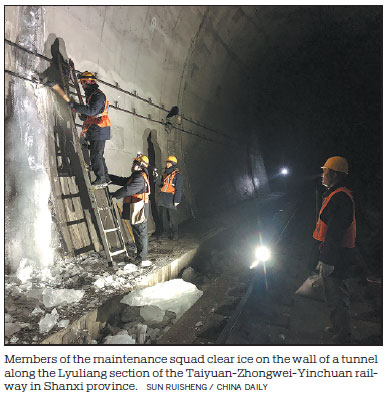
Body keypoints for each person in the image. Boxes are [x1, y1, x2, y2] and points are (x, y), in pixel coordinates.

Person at [313, 156, 356, 344]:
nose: (322, 175)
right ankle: (337, 326)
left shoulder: (340, 197)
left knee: (337, 295)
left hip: (338, 256)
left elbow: (335, 231)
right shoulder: (336, 193)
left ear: (335, 174)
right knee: (332, 294)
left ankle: (343, 335)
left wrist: (328, 260)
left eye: (325, 172)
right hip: (335, 253)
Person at [69, 71, 111, 186]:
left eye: (83, 82)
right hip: (98, 128)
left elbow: (92, 111)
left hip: (100, 128)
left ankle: (101, 178)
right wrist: (82, 113)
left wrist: (77, 107)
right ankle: (105, 177)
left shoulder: (98, 95)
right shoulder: (92, 94)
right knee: (99, 154)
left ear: (90, 82)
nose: (82, 85)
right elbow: (91, 113)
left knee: (96, 155)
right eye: (81, 82)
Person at [109, 154, 151, 267]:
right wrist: (110, 178)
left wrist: (114, 194)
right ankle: (140, 255)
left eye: (135, 164)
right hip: (136, 206)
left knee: (141, 232)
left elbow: (129, 189)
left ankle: (142, 257)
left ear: (141, 165)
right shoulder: (136, 176)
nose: (133, 166)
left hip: (139, 207)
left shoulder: (140, 177)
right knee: (138, 231)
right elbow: (124, 182)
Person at [157, 155, 183, 240]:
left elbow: (179, 188)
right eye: (167, 163)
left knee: (172, 217)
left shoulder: (177, 175)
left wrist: (177, 200)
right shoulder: (165, 174)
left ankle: (175, 234)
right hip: (164, 197)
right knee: (164, 217)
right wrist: (156, 178)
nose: (167, 164)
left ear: (173, 164)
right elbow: (160, 185)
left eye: (168, 163)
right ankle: (166, 232)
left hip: (171, 198)